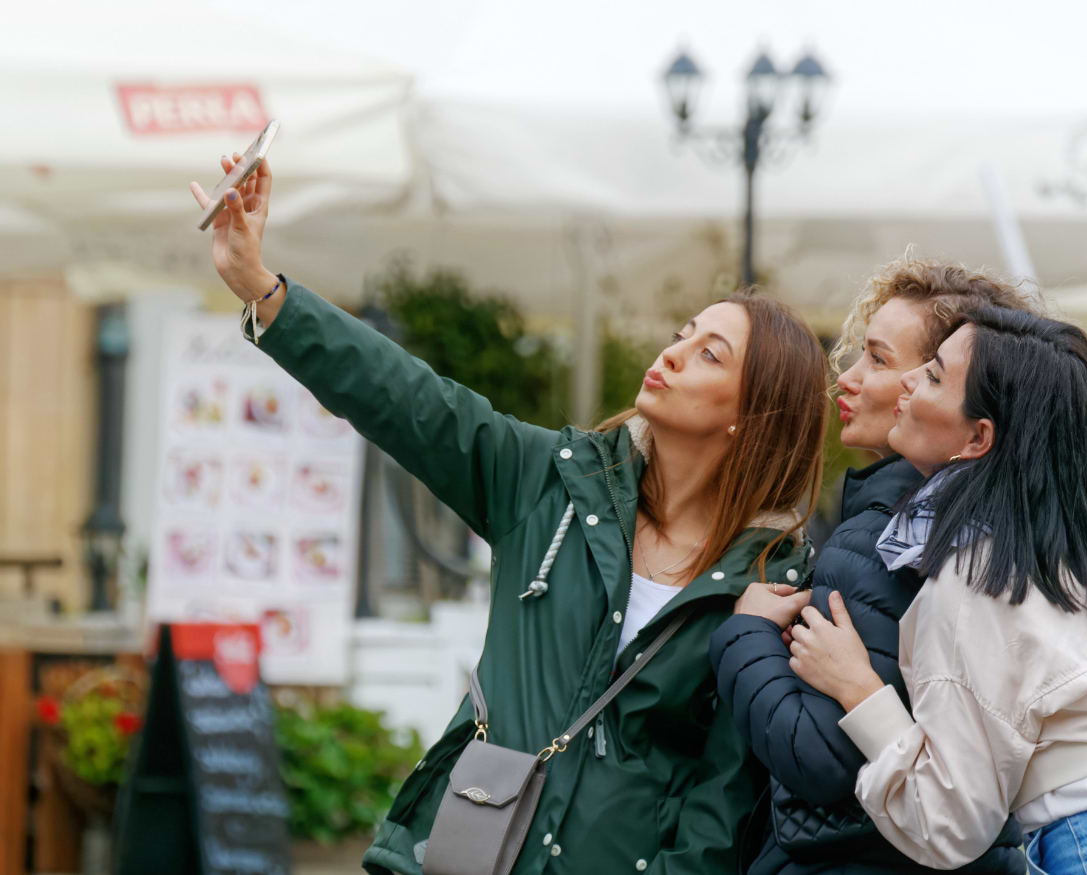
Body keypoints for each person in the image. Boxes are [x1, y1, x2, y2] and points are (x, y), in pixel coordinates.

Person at [190, 154, 830, 875]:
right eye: (682, 332)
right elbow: (406, 398)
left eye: (709, 354)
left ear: (751, 415)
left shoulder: (771, 582)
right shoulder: (552, 482)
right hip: (469, 850)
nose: (674, 353)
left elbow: (724, 794)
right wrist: (263, 289)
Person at [785, 306, 1087, 875]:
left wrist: (860, 692)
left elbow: (949, 824)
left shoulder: (978, 578)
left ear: (979, 437)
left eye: (934, 374)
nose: (909, 382)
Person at [710, 259, 1035, 875]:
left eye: (880, 361)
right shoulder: (1001, 531)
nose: (847, 380)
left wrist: (746, 631)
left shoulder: (882, 537)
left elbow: (817, 757)